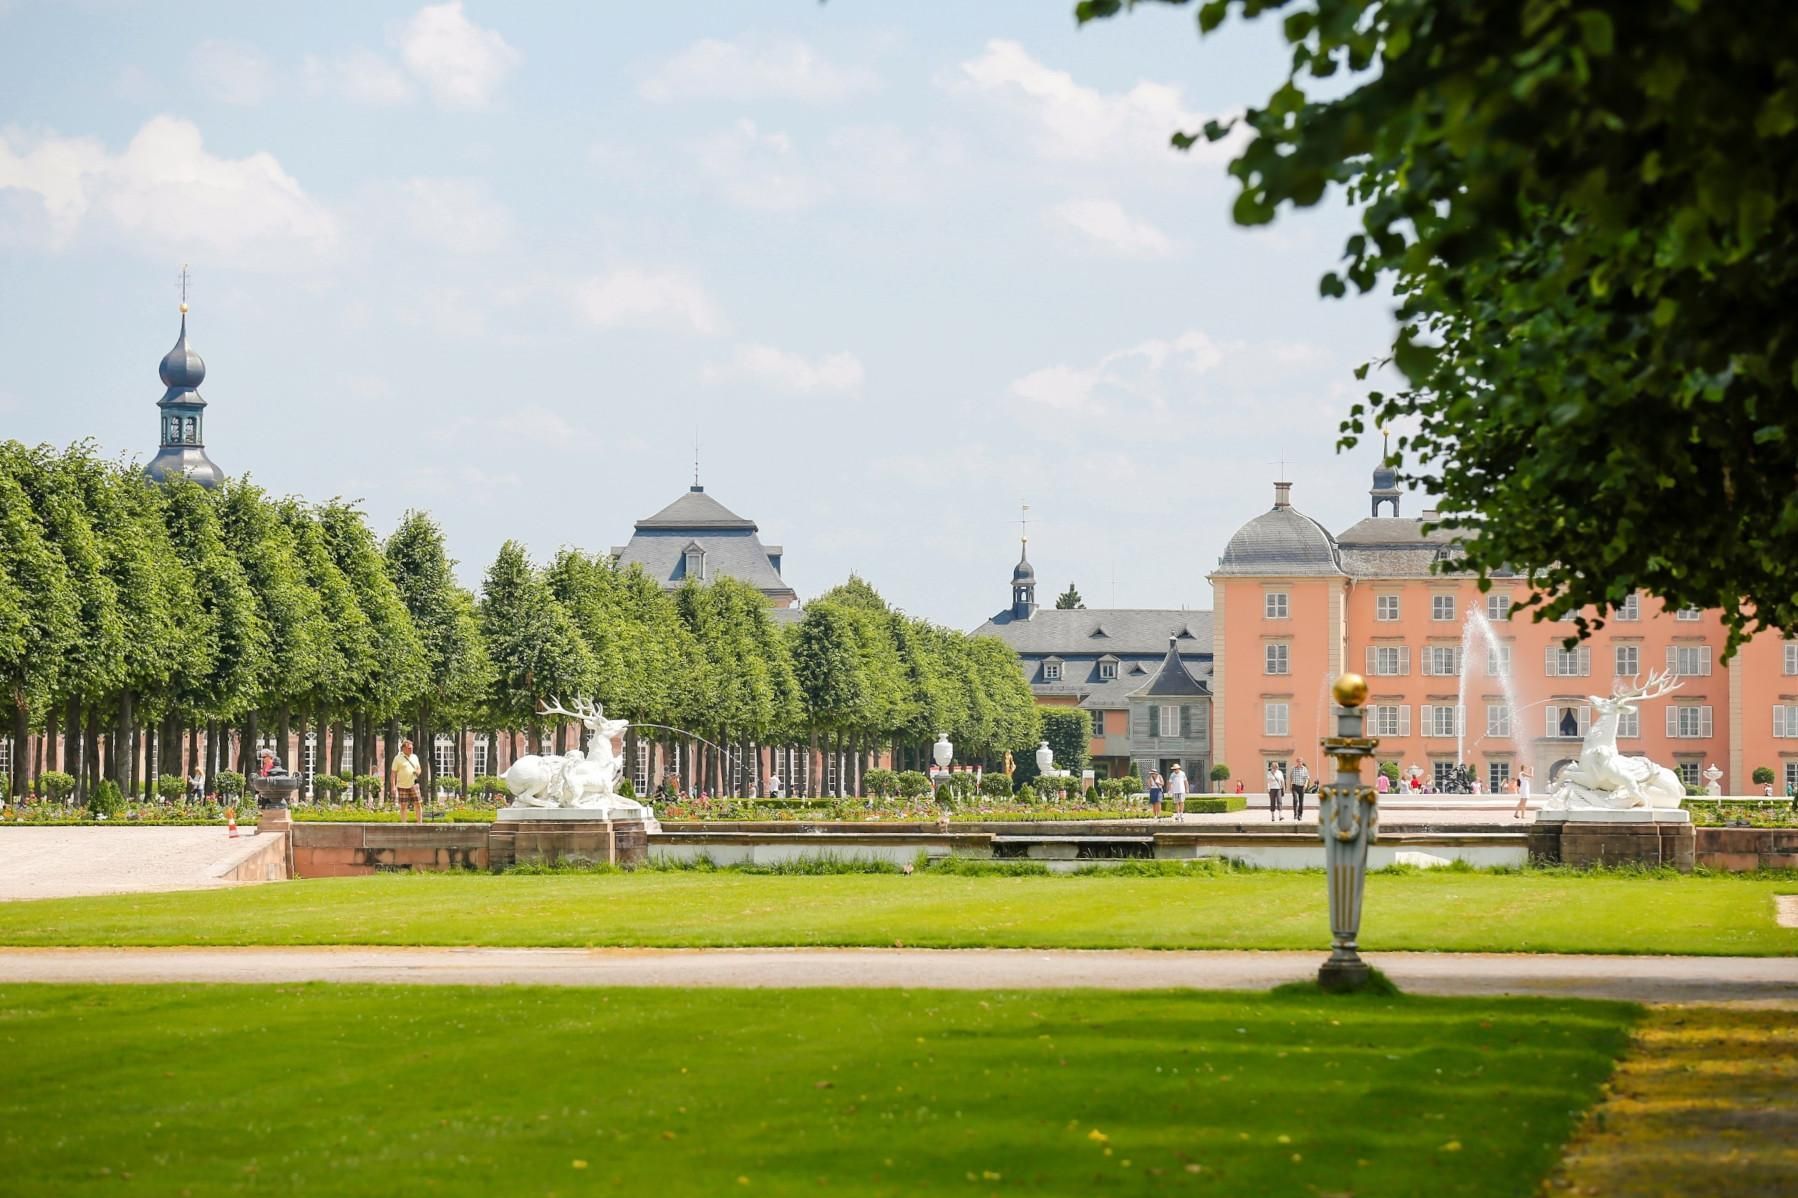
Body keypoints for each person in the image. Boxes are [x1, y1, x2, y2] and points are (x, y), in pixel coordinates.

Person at [392, 738, 423, 824]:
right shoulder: (397, 758)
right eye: (409, 748)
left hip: (413, 784)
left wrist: (418, 772)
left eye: (412, 748)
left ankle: (420, 823)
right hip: (402, 786)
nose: (411, 749)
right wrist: (393, 786)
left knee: (418, 804)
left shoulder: (415, 757)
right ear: (403, 748)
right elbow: (393, 773)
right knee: (403, 805)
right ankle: (404, 824)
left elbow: (419, 768)